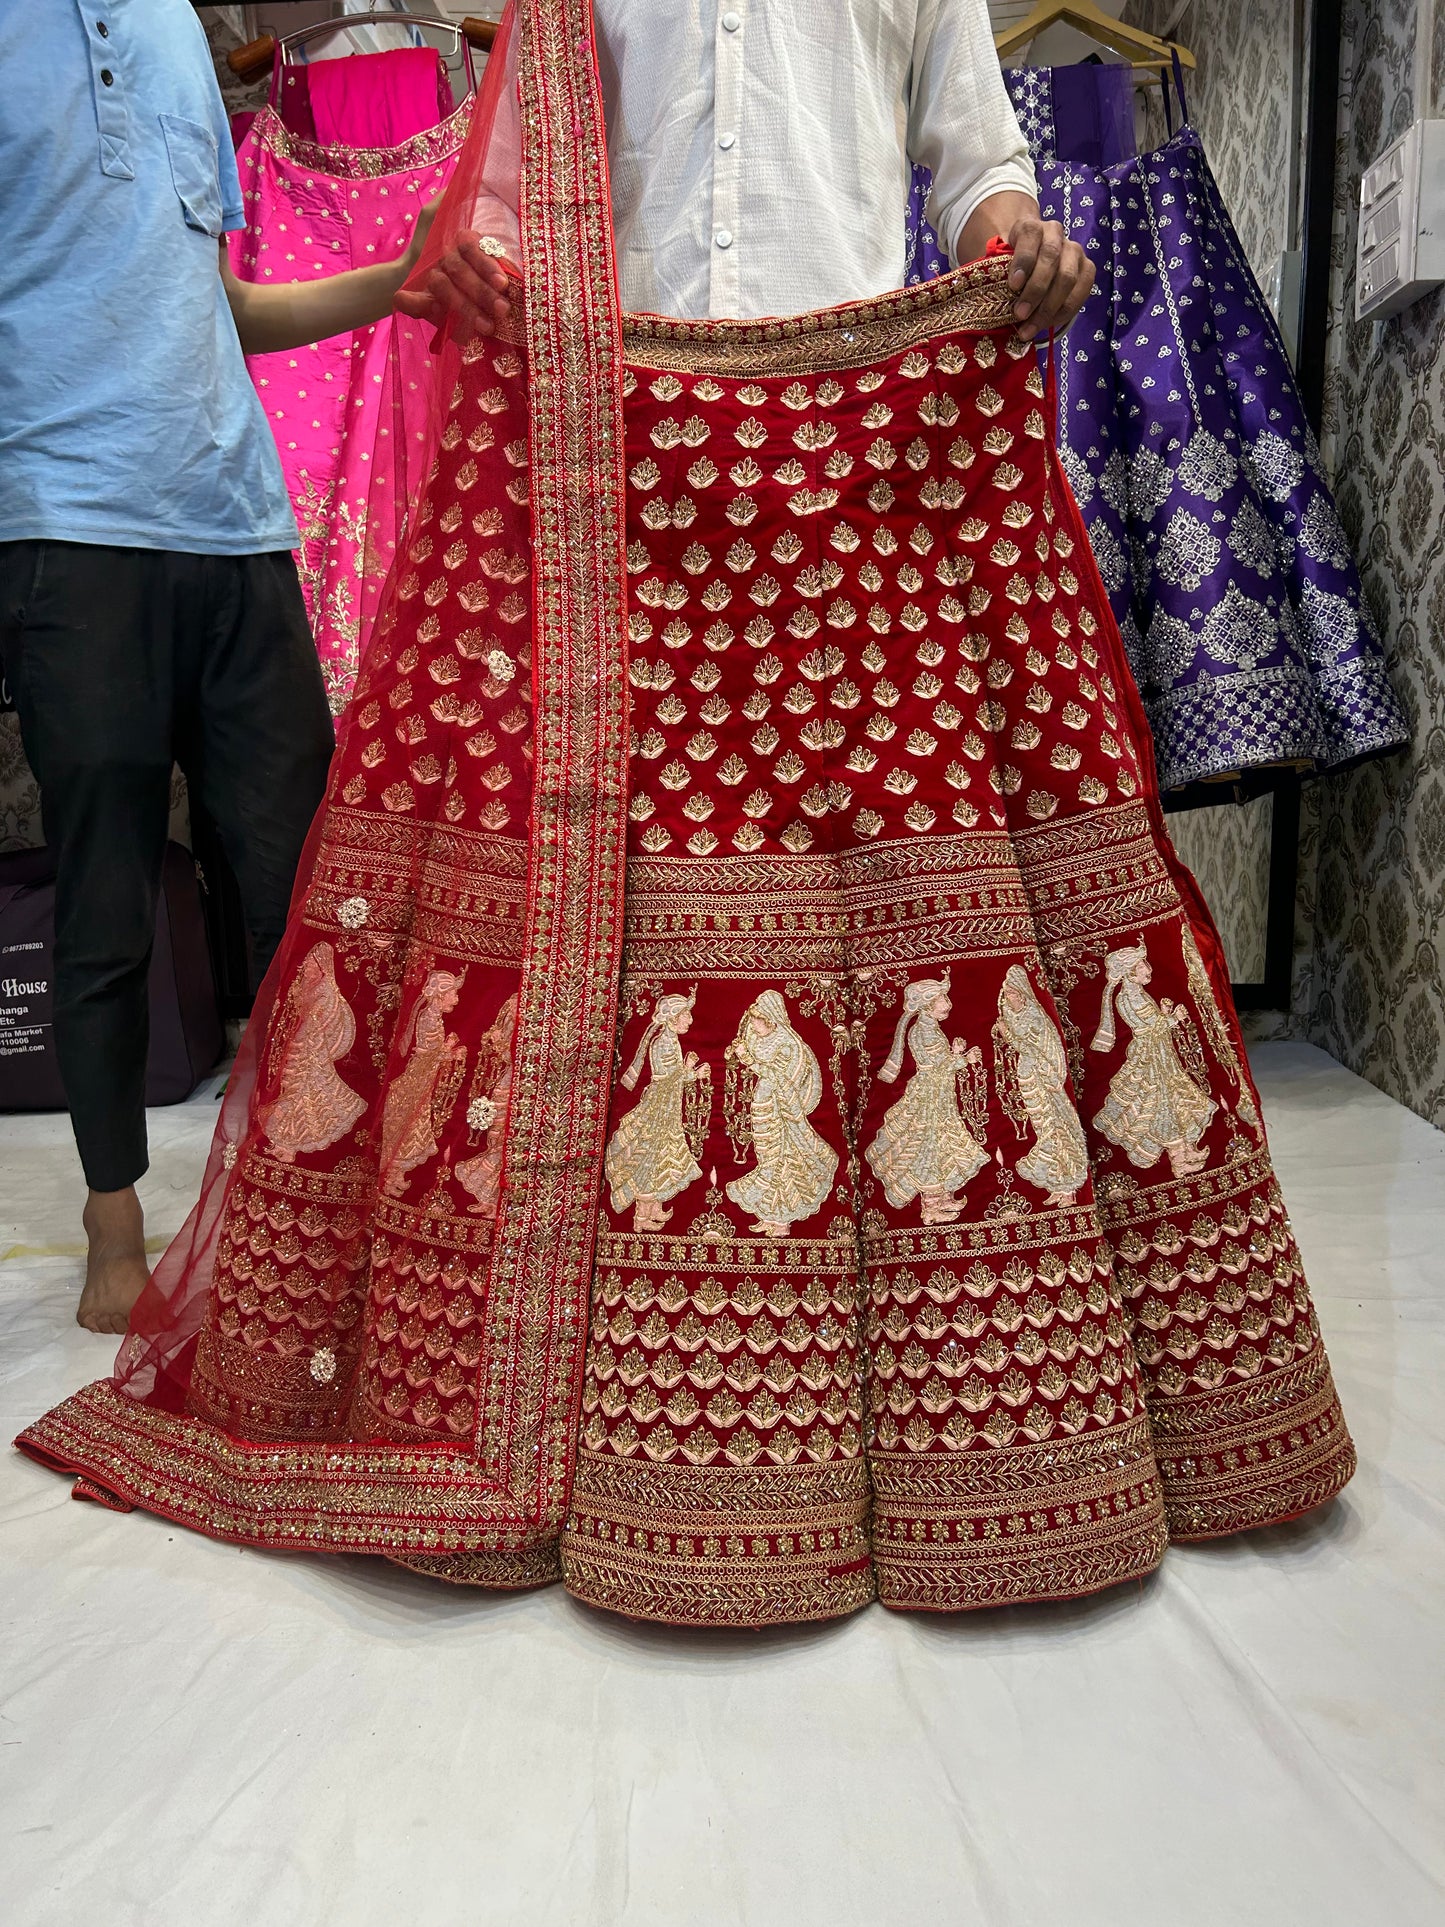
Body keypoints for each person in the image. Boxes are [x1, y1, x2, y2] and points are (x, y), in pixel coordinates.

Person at [19, 1, 1355, 1630]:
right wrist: (477, 258)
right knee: (628, 925)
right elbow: (509, 186)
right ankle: (604, 1435)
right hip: (618, 468)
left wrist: (1015, 244)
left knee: (893, 908)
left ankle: (953, 1425)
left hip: (871, 454)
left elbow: (975, 163)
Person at [0, 0, 443, 1333]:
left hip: (239, 524)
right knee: (109, 891)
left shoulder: (177, 35)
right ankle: (113, 1218)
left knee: (308, 885)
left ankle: (315, 1198)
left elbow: (217, 307)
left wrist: (395, 280)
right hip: (72, 527)